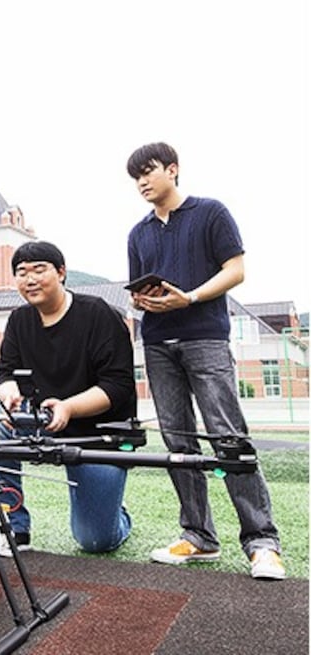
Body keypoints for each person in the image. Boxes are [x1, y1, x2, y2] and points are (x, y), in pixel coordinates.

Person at [126, 142, 284, 580]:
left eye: (148, 171)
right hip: (157, 343)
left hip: (206, 338)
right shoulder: (137, 233)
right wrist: (146, 300)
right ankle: (198, 536)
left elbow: (236, 270)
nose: (141, 181)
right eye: (135, 176)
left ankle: (262, 542)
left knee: (228, 437)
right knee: (178, 442)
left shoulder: (211, 212)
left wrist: (190, 297)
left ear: (172, 170)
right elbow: (141, 292)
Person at [0, 240, 136, 554]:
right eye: (21, 272)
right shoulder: (20, 320)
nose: (30, 279)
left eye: (39, 270)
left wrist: (68, 407)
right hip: (42, 423)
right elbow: (6, 374)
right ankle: (14, 524)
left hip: (96, 436)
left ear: (61, 273)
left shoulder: (98, 314)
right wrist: (8, 392)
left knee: (95, 541)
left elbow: (118, 386)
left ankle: (116, 513)